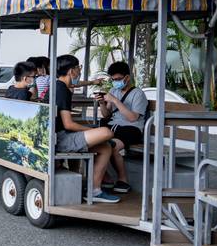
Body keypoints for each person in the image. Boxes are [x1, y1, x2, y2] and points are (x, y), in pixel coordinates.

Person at [54, 54, 118, 204]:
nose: (79, 71)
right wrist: (90, 130)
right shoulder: (62, 90)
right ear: (71, 71)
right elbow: (68, 124)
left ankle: (95, 190)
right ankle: (94, 188)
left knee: (106, 147)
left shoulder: (59, 85)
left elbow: (74, 84)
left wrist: (92, 82)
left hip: (59, 135)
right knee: (107, 133)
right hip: (61, 138)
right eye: (78, 68)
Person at [96, 60, 148, 194]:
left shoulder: (138, 94)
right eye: (113, 79)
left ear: (127, 77)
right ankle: (106, 178)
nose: (115, 82)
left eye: (118, 79)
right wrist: (102, 103)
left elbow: (132, 118)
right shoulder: (114, 90)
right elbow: (107, 115)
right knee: (95, 144)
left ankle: (123, 180)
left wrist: (114, 100)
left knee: (110, 146)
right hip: (114, 127)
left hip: (131, 129)